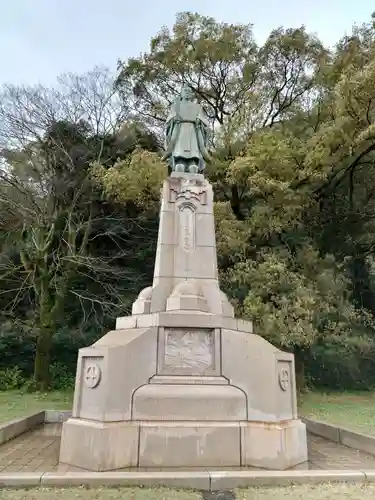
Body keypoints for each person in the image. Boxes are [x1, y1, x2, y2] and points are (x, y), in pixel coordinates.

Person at [163, 84, 211, 174]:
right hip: (180, 130)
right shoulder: (175, 106)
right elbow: (169, 121)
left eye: (189, 91)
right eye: (185, 91)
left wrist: (199, 121)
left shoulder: (197, 107)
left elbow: (203, 120)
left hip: (193, 130)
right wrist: (174, 120)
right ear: (181, 94)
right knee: (179, 149)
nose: (188, 93)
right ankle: (179, 162)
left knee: (194, 150)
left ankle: (193, 163)